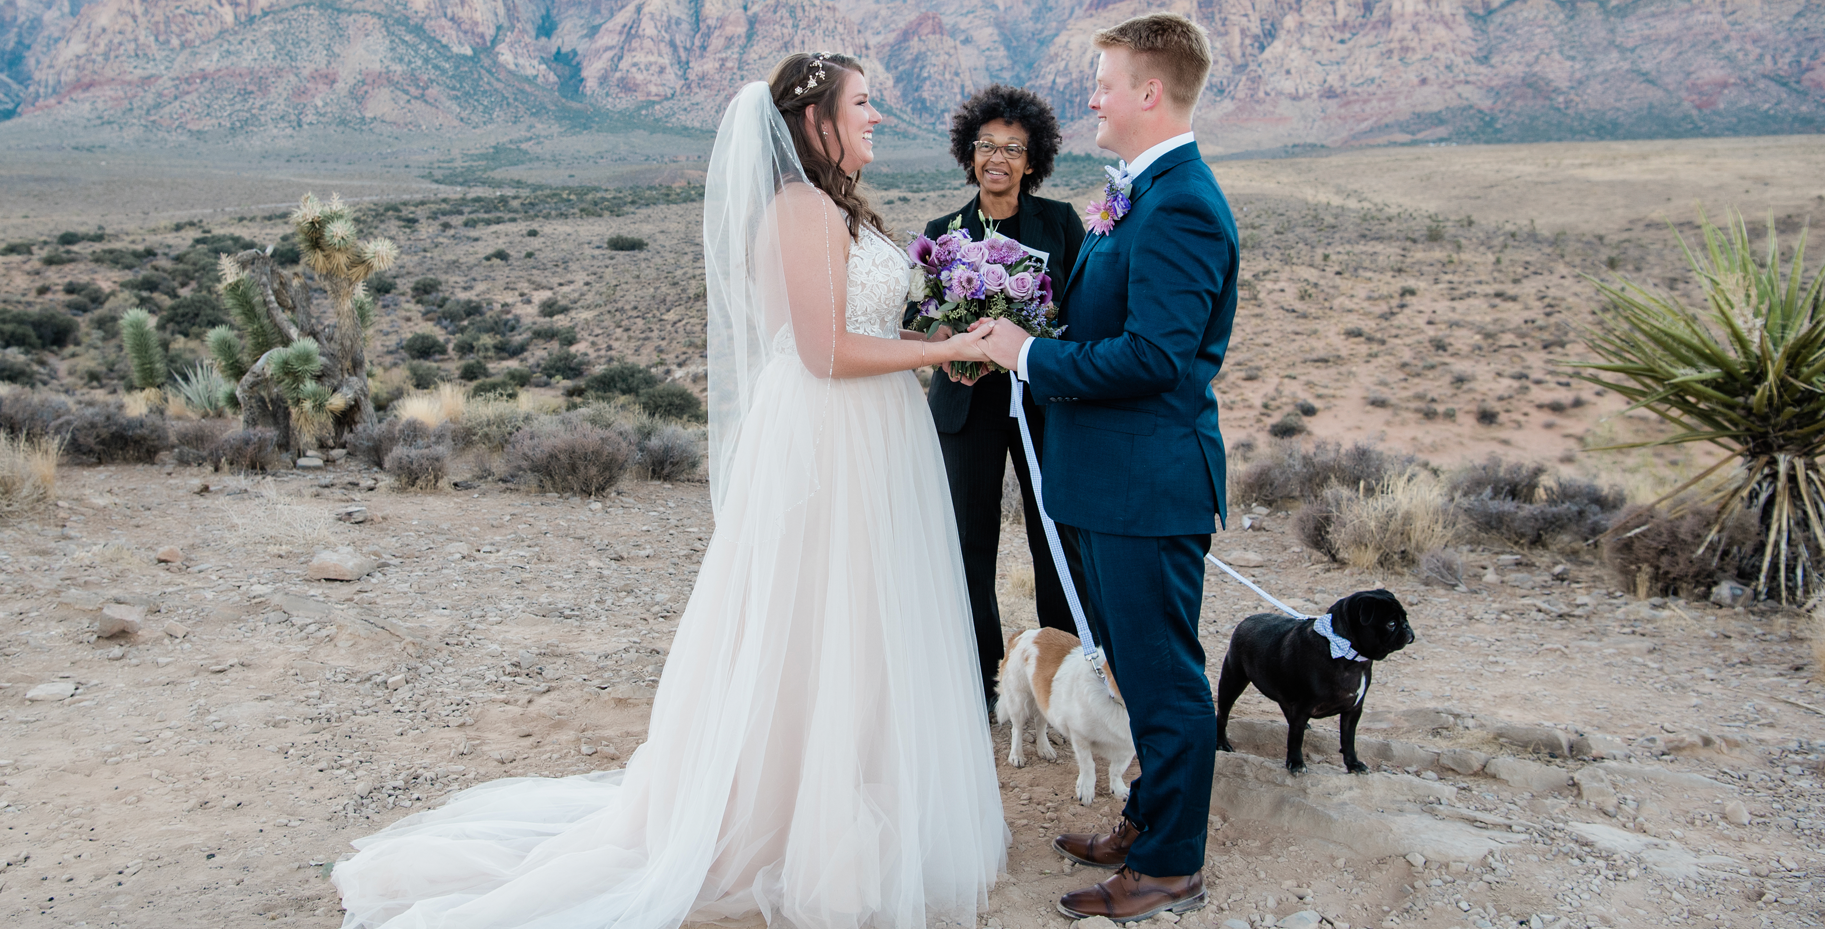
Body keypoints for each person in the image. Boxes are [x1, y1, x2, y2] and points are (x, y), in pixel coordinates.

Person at [330, 52, 1008, 929]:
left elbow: (861, 323)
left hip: (869, 434)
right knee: (815, 618)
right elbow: (826, 352)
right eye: (864, 104)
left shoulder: (833, 205)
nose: (879, 118)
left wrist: (936, 331)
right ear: (815, 122)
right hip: (829, 437)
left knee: (857, 623)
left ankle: (845, 797)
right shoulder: (800, 206)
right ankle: (788, 823)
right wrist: (944, 353)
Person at [974, 12, 1238, 922]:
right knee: (1131, 665)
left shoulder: (1186, 205)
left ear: (1149, 92)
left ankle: (1170, 864)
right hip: (1107, 485)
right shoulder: (1141, 192)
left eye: (1106, 80)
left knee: (1164, 683)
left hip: (1147, 488)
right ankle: (1145, 818)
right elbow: (1106, 325)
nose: (1092, 95)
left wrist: (1030, 358)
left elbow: (1159, 357)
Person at [917, 84, 1090, 705]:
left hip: (1041, 402)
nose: (999, 158)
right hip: (966, 405)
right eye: (987, 145)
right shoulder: (942, 232)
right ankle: (984, 683)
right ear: (970, 153)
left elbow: (1076, 309)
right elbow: (926, 319)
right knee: (969, 541)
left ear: (1032, 160)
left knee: (1057, 537)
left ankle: (1066, 679)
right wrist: (956, 343)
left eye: (1014, 148)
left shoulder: (1062, 222)